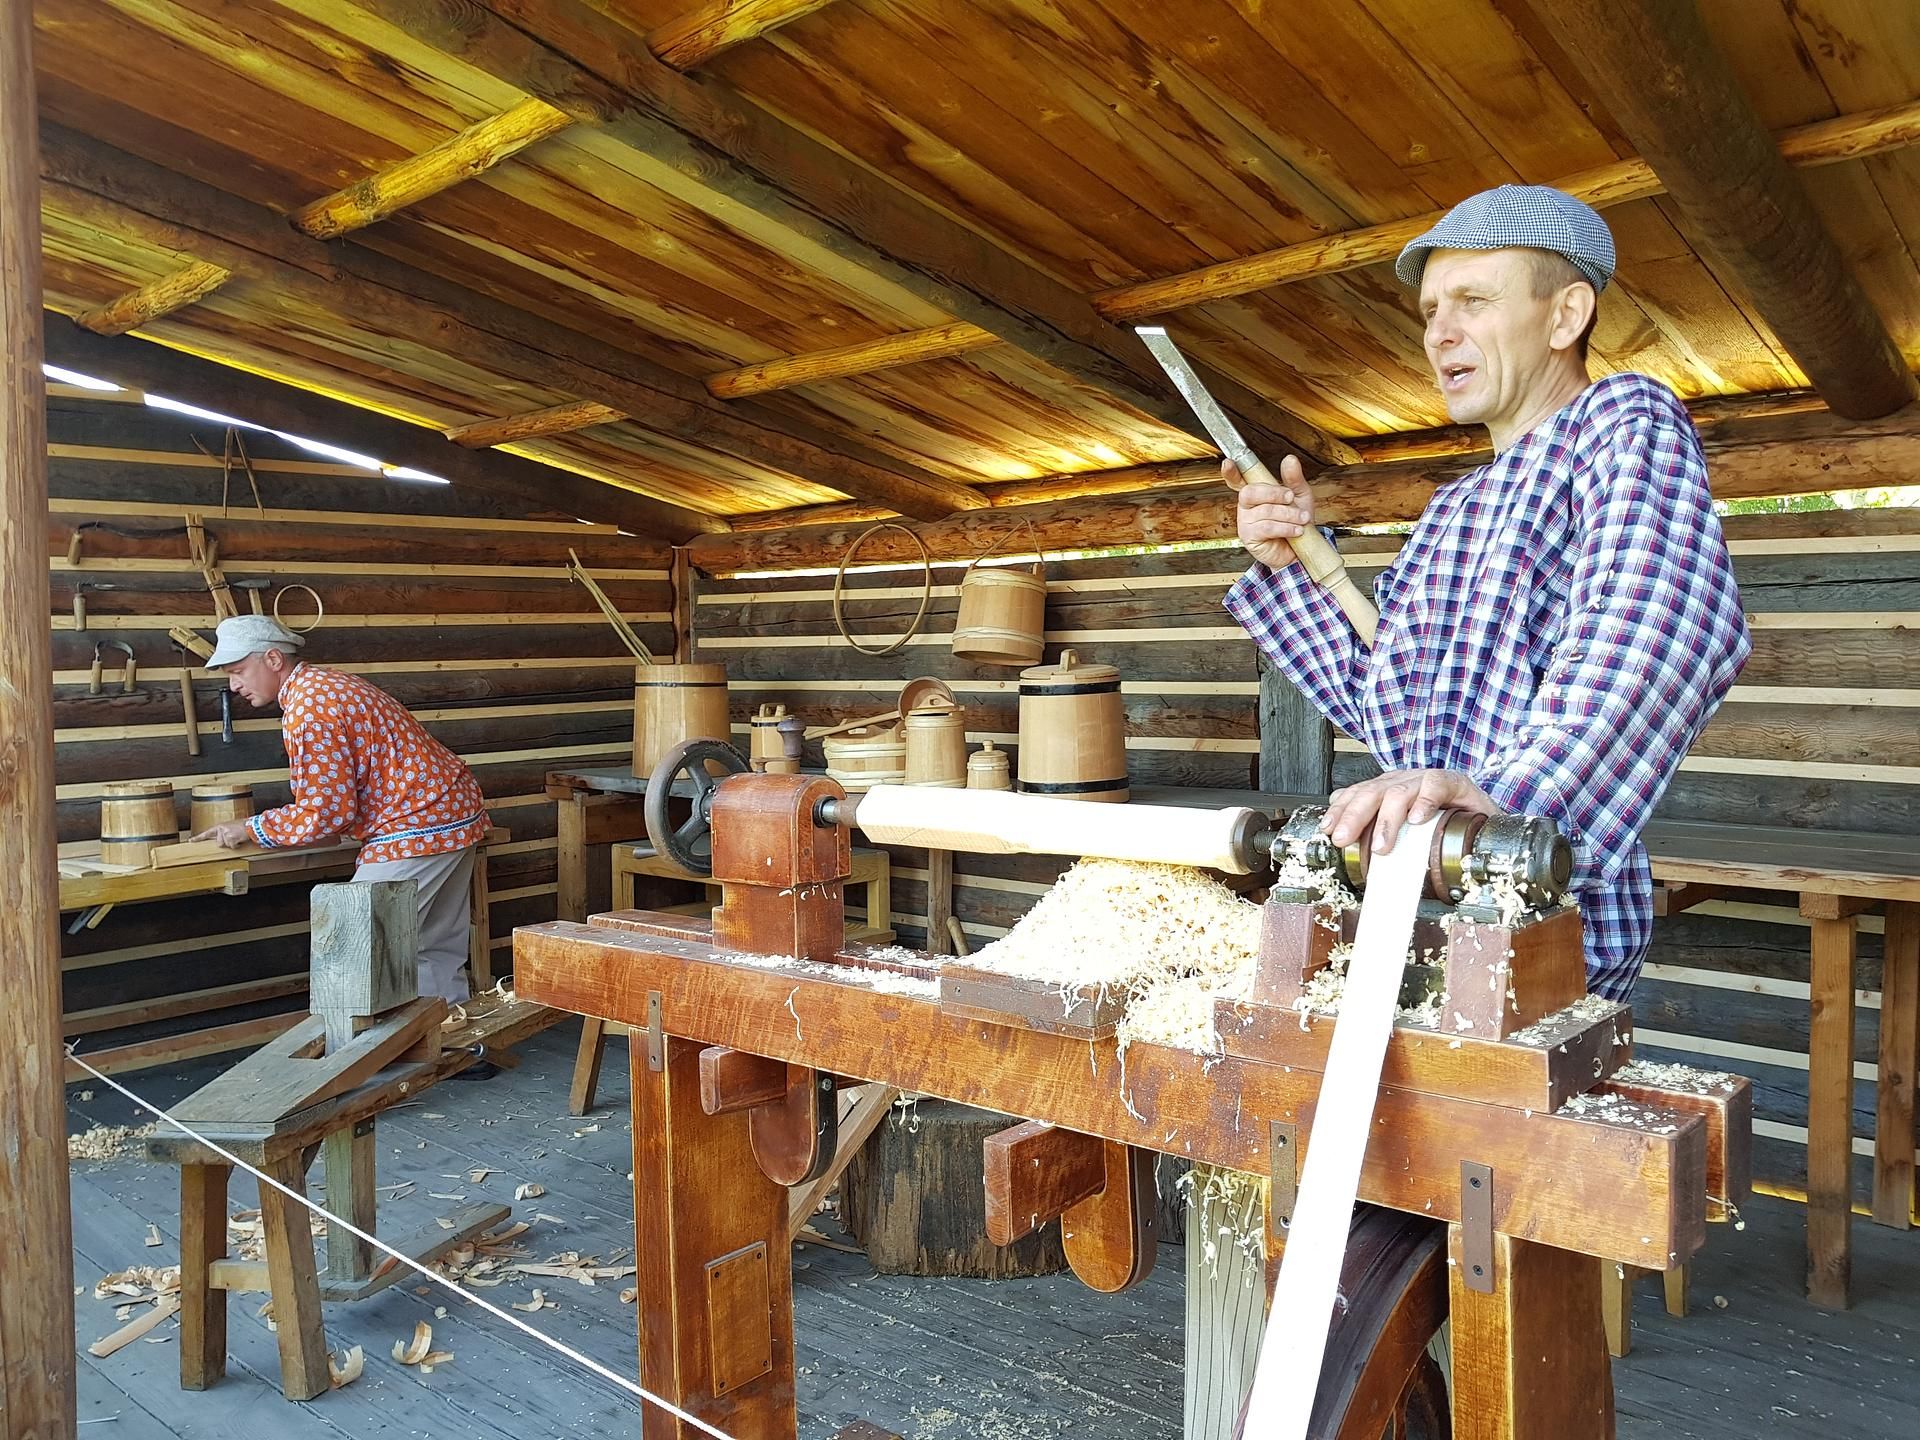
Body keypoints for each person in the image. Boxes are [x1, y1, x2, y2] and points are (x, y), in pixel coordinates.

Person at [1223, 184, 1752, 1001]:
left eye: (1473, 299)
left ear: (1566, 315)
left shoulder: (1620, 421)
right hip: (1415, 907)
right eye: (1432, 309)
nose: (1440, 333)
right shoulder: (1456, 507)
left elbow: (1660, 626)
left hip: (1543, 918)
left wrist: (1508, 800)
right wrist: (1289, 564)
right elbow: (1386, 703)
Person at [192, 615, 492, 1010]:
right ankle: (457, 1041)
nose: (233, 685)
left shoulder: (310, 708)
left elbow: (327, 813)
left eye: (238, 671)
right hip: (451, 810)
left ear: (273, 659)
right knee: (430, 943)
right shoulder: (326, 684)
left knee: (354, 938)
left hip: (416, 822)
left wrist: (251, 828)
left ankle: (361, 1054)